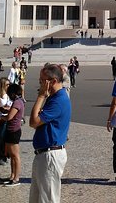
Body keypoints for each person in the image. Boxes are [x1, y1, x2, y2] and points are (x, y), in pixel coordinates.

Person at [29, 64, 71, 203]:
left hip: (50, 155)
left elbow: (33, 122)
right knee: (36, 198)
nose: (40, 84)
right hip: (44, 153)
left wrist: (41, 96)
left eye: (42, 80)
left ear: (52, 81)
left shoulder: (58, 100)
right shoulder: (55, 97)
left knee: (48, 199)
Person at [0, 83, 25, 186]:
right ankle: (12, 175)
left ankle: (16, 178)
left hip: (14, 130)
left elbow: (9, 117)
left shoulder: (17, 103)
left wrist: (1, 117)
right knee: (12, 155)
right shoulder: (18, 101)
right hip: (12, 130)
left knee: (15, 155)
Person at [0, 77, 12, 164]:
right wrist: (7, 109)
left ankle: (4, 156)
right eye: (7, 84)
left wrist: (7, 108)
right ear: (3, 85)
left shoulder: (8, 95)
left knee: (5, 139)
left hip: (7, 117)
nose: (9, 86)